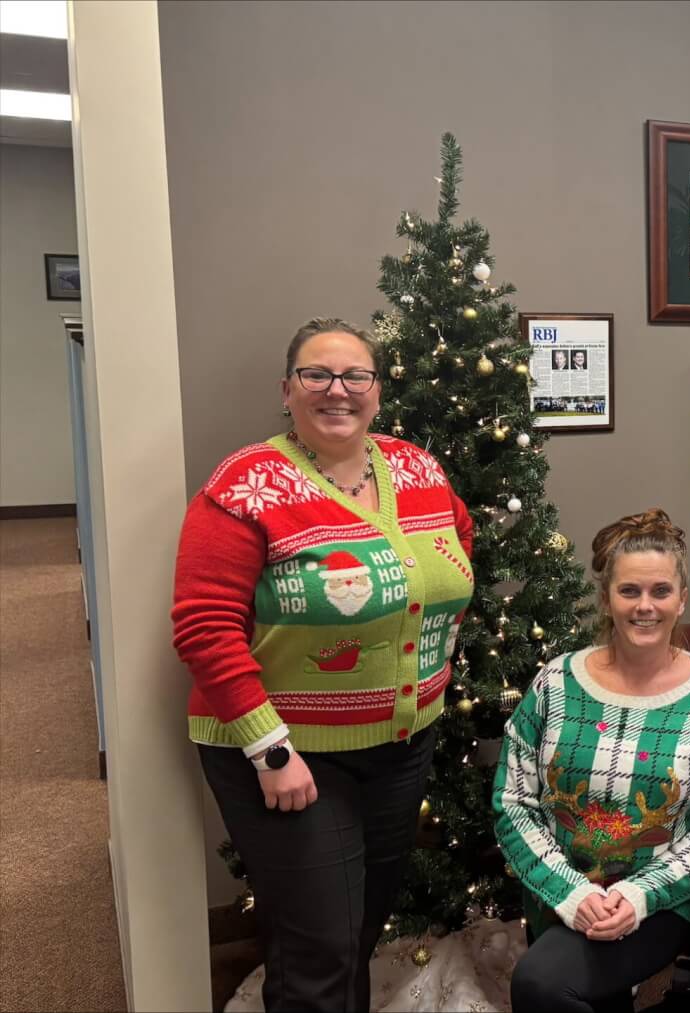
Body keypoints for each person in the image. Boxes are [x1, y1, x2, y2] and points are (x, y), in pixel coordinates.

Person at [172, 317, 474, 1011]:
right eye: (317, 374)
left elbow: (458, 542)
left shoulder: (416, 467)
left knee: (356, 929)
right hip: (287, 753)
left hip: (400, 746)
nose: (338, 390)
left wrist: (434, 651)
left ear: (377, 389)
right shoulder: (248, 484)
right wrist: (269, 749)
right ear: (288, 390)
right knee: (323, 947)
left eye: (355, 375)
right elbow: (204, 627)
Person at [496, 509, 690, 1013]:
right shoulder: (555, 683)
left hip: (663, 900)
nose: (644, 606)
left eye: (660, 591)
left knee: (542, 986)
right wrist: (571, 894)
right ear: (607, 599)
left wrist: (639, 895)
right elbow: (513, 802)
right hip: (562, 893)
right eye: (629, 591)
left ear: (682, 599)